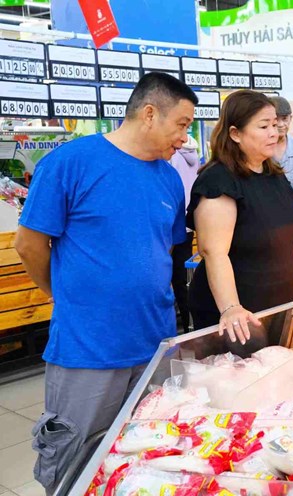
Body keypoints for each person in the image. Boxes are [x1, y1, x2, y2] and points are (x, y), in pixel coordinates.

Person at [15, 72, 196, 494]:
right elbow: (28, 244)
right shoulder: (70, 163)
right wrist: (64, 295)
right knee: (75, 461)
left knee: (144, 458)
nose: (185, 138)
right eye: (183, 124)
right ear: (149, 114)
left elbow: (161, 254)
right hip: (88, 347)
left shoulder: (168, 178)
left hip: (155, 344)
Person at [188, 91, 293, 354]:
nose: (273, 133)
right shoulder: (219, 181)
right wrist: (231, 308)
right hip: (238, 319)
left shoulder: (274, 176)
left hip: (278, 308)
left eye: (275, 125)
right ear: (235, 134)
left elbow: (291, 241)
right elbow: (214, 252)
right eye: (263, 126)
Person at [169, 134, 201, 333]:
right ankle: (191, 325)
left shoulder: (171, 156)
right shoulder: (193, 153)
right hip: (188, 222)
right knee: (183, 277)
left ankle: (182, 327)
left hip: (172, 222)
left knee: (170, 276)